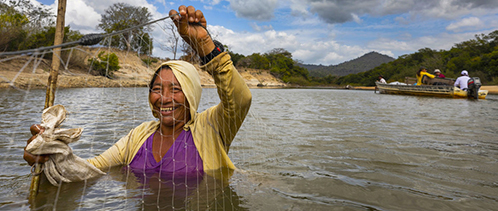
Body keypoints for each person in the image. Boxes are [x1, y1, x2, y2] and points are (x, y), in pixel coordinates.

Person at [24, 5, 252, 181]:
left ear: (192, 94)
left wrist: (204, 45)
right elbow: (91, 169)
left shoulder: (211, 127)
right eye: (156, 89)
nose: (164, 98)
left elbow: (240, 99)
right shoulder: (138, 136)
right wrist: (51, 157)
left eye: (176, 89)